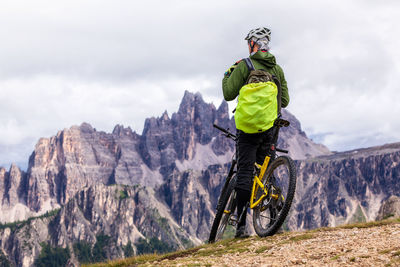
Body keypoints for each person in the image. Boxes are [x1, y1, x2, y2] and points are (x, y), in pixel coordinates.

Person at [222, 27, 290, 238]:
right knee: (265, 171)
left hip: (247, 130)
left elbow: (228, 94)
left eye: (249, 43)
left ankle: (241, 228)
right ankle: (274, 217)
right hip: (269, 129)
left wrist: (228, 74)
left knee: (244, 174)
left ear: (253, 44)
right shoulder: (277, 70)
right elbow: (285, 100)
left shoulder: (244, 65)